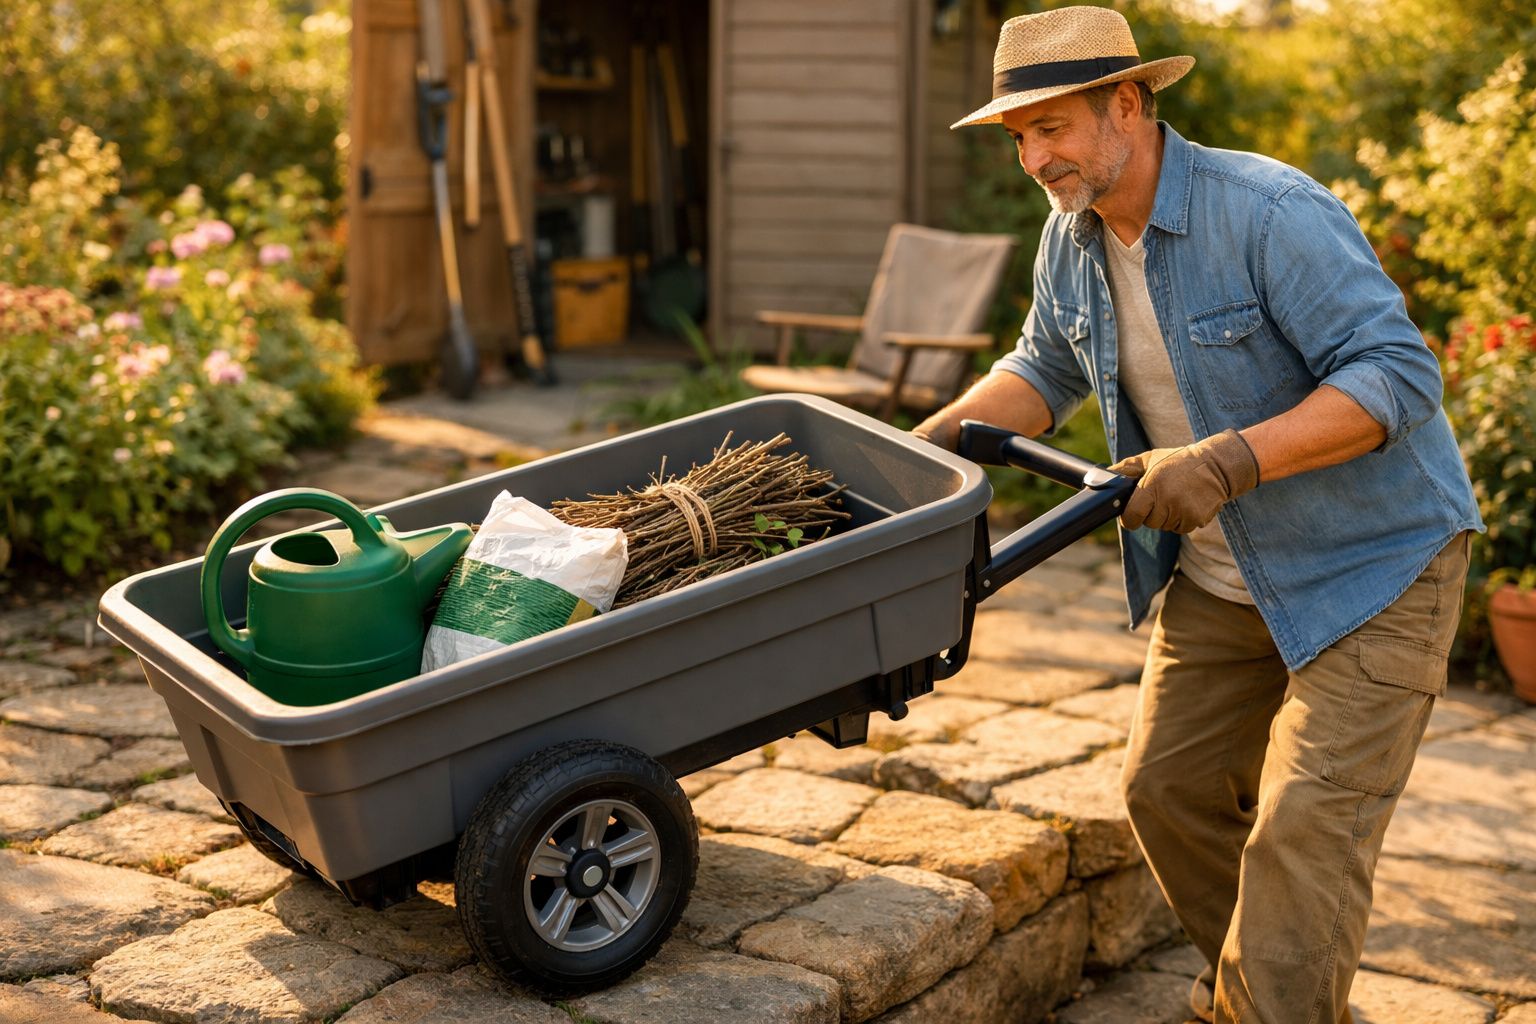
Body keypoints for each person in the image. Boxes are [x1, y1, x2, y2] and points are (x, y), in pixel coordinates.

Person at [915, 7, 1483, 1023]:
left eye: (1052, 127)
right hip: (1227, 576)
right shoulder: (1072, 234)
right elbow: (1042, 368)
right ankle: (1278, 997)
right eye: (1019, 137)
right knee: (1164, 791)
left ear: (1126, 103)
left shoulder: (1267, 211)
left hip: (1374, 566)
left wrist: (1227, 460)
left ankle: (1264, 1006)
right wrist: (922, 450)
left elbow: (1397, 375)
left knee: (1308, 830)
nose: (1035, 157)